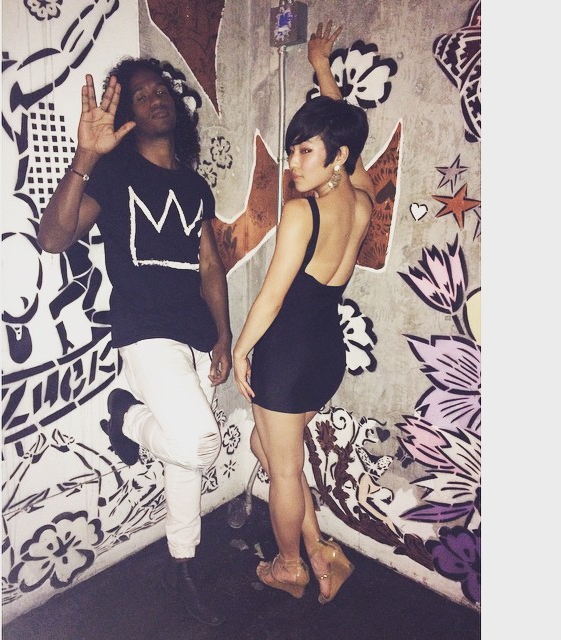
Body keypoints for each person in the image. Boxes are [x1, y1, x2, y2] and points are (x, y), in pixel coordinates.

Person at [37, 57, 232, 626]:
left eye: (160, 89)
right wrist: (85, 157)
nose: (155, 98)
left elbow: (210, 267)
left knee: (185, 463)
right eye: (141, 95)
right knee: (200, 443)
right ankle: (124, 416)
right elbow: (53, 239)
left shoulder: (193, 185)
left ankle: (182, 563)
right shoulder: (114, 175)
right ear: (128, 114)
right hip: (145, 330)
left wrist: (223, 335)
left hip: (197, 331)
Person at [232, 21, 375, 604]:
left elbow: (271, 296)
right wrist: (322, 72)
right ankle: (321, 552)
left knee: (283, 471)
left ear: (334, 157)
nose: (293, 162)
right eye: (292, 150)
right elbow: (347, 145)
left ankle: (290, 566)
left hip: (285, 356)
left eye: (304, 151)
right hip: (325, 354)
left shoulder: (300, 212)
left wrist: (240, 349)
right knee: (266, 449)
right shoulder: (361, 203)